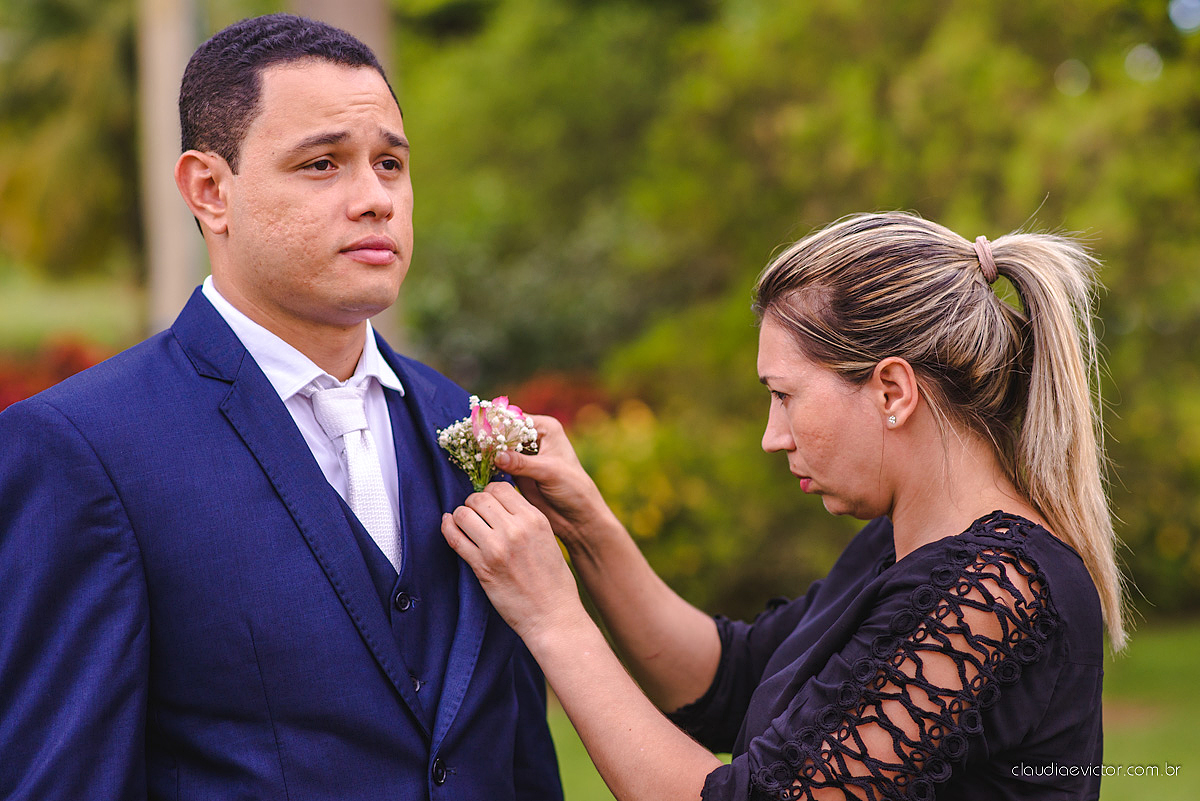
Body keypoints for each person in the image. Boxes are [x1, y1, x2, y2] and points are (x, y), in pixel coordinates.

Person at [0, 14, 562, 801]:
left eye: (390, 164)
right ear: (210, 190)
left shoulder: (463, 424)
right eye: (322, 164)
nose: (375, 199)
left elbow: (518, 756)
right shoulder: (80, 448)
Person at [440, 211, 1125, 800]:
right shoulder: (904, 546)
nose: (774, 436)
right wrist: (586, 527)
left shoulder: (996, 591)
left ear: (892, 390)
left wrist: (554, 619)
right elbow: (732, 679)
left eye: (785, 395)